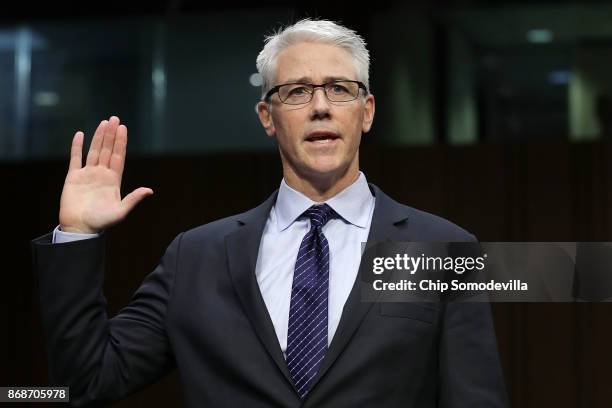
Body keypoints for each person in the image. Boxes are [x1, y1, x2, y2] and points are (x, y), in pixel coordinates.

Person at [32, 19, 508, 407]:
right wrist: (76, 235)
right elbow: (86, 382)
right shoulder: (196, 257)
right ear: (267, 116)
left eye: (339, 89)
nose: (320, 107)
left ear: (366, 111)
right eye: (297, 91)